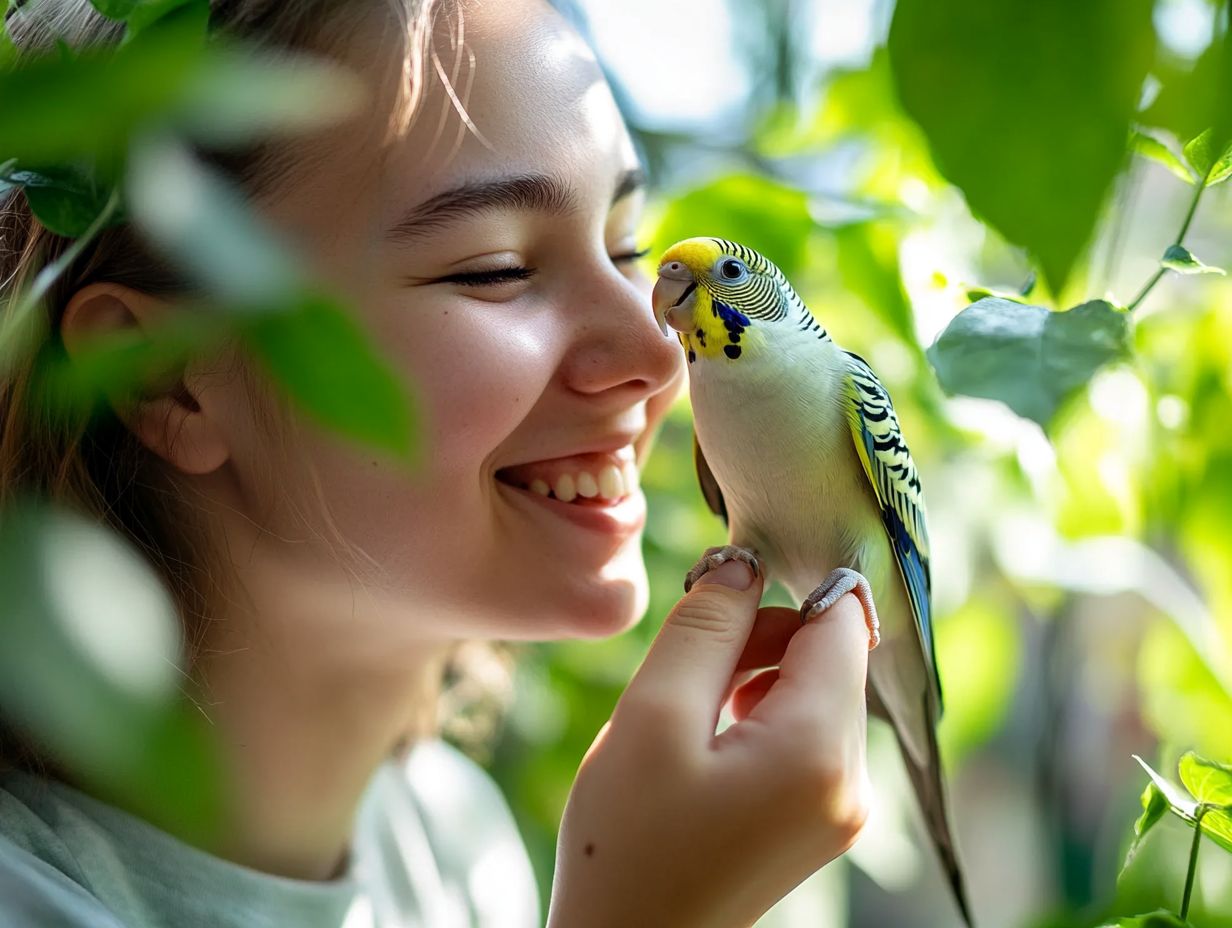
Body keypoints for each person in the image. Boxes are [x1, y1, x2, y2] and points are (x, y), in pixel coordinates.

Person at [0, 0, 875, 925]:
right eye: (496, 268)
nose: (658, 357)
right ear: (166, 377)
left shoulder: (454, 846)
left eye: (627, 249)